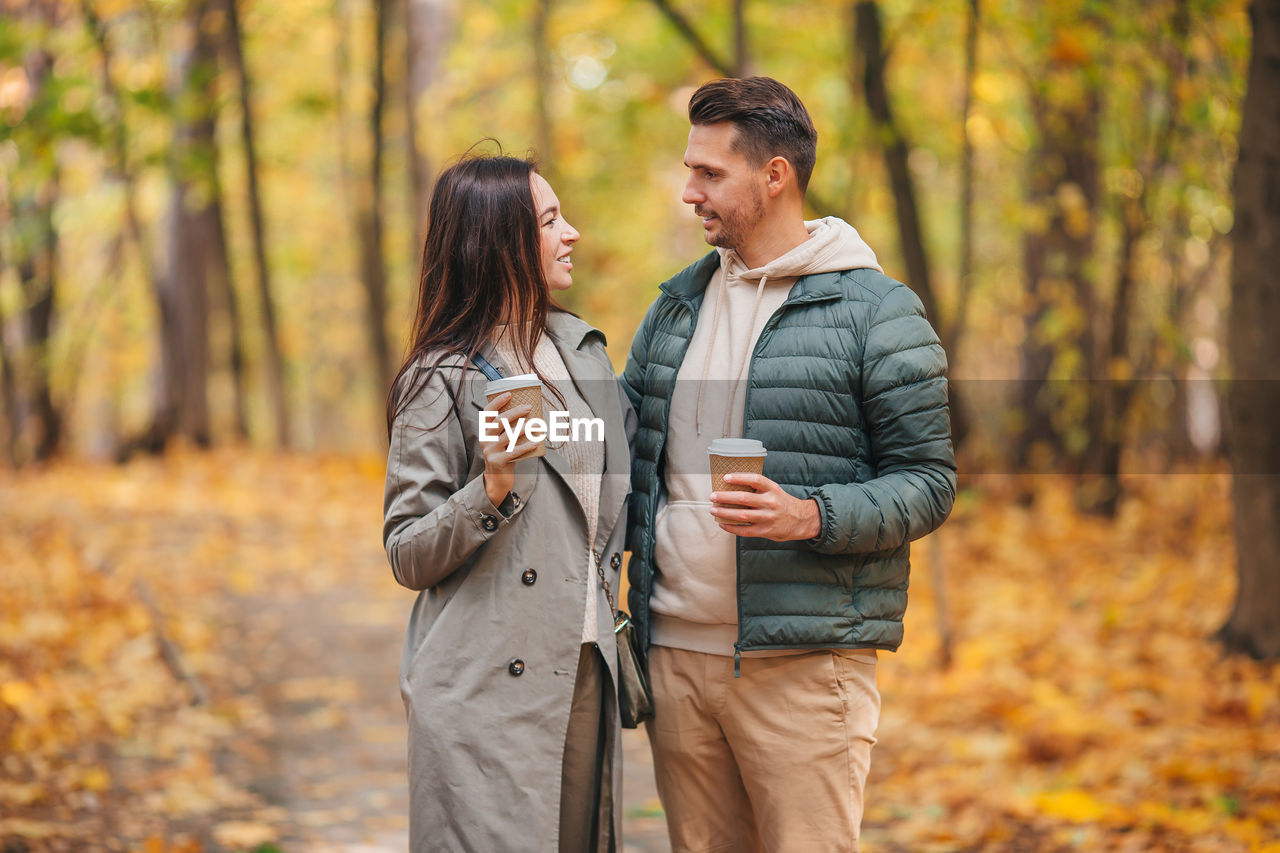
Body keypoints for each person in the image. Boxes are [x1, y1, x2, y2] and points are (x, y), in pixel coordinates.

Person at [621, 77, 957, 851]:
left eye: (710, 173)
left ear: (774, 176)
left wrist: (810, 514)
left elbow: (929, 481)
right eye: (689, 169)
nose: (687, 191)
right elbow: (616, 445)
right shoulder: (674, 308)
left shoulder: (878, 312)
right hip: (675, 662)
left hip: (804, 668)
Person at [383, 152, 633, 852]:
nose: (572, 233)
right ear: (500, 243)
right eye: (551, 220)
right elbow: (406, 550)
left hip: (584, 670)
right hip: (483, 690)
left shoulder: (583, 357)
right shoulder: (442, 375)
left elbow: (609, 512)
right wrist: (489, 489)